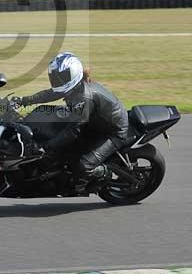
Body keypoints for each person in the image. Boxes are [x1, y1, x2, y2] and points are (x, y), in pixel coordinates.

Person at [13, 52, 129, 195]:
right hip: (92, 122)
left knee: (83, 165)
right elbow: (51, 93)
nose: (56, 80)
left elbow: (73, 131)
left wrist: (45, 147)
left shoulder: (84, 97)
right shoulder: (71, 87)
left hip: (112, 131)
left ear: (72, 75)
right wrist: (24, 101)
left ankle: (100, 176)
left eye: (60, 77)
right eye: (54, 77)